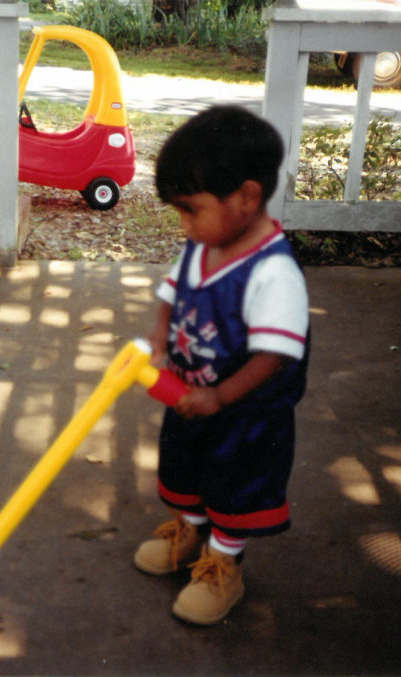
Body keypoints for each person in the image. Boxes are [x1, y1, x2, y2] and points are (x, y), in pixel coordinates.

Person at [134, 105, 310, 625]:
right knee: (184, 470)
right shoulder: (203, 244)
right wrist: (160, 328)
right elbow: (173, 290)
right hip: (191, 396)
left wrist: (223, 396)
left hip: (244, 415)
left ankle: (223, 566)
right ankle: (189, 534)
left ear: (247, 197)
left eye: (190, 209)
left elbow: (276, 354)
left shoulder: (274, 272)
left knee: (235, 489)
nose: (184, 224)